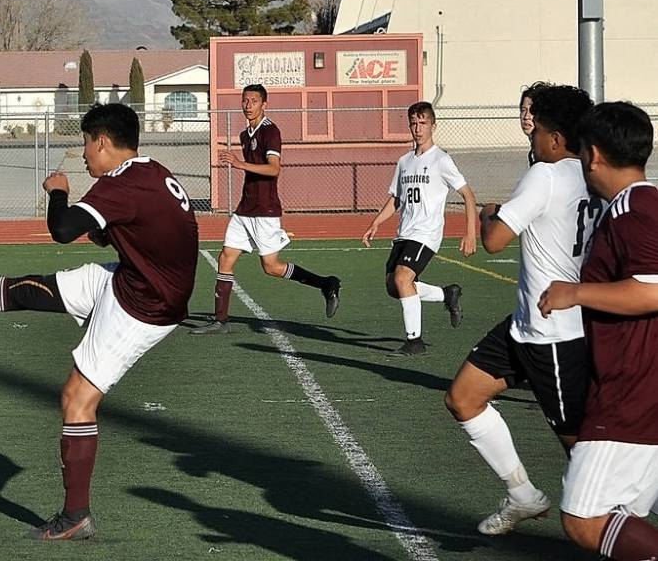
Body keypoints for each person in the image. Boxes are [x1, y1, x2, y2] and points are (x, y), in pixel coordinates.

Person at [0, 103, 198, 541]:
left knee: (77, 399)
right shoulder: (150, 172)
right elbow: (149, 227)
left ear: (103, 142)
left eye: (86, 143)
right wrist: (113, 234)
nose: (84, 153)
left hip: (143, 306)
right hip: (136, 281)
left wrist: (57, 191)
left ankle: (76, 517)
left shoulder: (121, 185)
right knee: (27, 290)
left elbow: (63, 229)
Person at [444, 85, 595, 535]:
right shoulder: (592, 174)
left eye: (537, 127)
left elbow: (493, 241)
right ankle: (522, 495)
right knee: (463, 398)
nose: (531, 135)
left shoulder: (546, 175)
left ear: (554, 137)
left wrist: (492, 213)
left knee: (588, 455)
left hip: (555, 337)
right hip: (526, 326)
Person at [539, 101, 658, 560]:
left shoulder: (634, 208)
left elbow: (651, 291)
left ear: (592, 155)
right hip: (634, 383)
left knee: (586, 520)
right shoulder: (638, 204)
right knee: (622, 517)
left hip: (631, 390)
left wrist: (576, 294)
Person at [192, 83, 341, 335]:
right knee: (226, 257)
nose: (248, 105)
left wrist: (240, 164)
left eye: (253, 101)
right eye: (245, 100)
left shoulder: (271, 132)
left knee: (271, 267)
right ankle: (221, 320)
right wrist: (242, 165)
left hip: (265, 210)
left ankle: (326, 283)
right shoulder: (244, 135)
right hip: (244, 208)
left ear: (264, 104)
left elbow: (274, 169)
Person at [362, 101, 478, 355]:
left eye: (423, 123)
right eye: (414, 123)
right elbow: (396, 199)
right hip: (405, 232)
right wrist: (376, 223)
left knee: (404, 278)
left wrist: (471, 233)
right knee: (394, 286)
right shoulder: (404, 161)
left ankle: (415, 341)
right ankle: (447, 295)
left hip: (426, 234)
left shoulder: (441, 160)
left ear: (433, 126)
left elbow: (468, 195)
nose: (418, 128)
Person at [519, 81, 551, 165]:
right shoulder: (535, 151)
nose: (526, 116)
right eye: (523, 110)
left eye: (533, 111)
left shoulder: (551, 154)